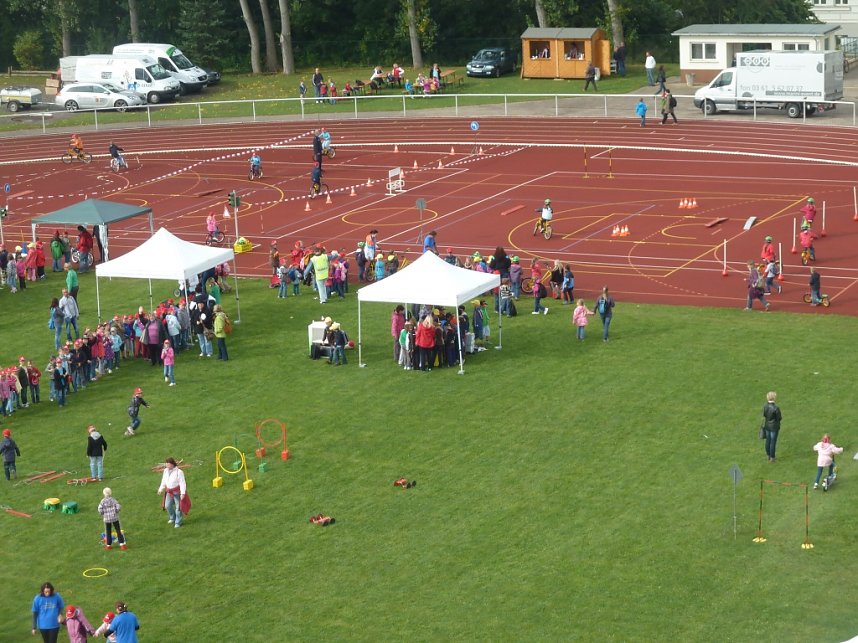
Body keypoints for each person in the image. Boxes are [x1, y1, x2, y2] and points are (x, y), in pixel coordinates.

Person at [158, 457, 189, 528]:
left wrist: (183, 493)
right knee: (167, 505)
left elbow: (182, 483)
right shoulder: (165, 471)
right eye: (166, 464)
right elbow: (164, 480)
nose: (166, 466)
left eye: (168, 464)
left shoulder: (179, 472)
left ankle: (178, 522)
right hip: (169, 492)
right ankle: (172, 517)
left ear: (172, 464)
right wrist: (160, 489)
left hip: (177, 492)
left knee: (178, 507)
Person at [761, 391, 781, 462]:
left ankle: (768, 455)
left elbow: (764, 415)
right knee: (773, 442)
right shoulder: (776, 408)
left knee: (768, 440)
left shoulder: (765, 406)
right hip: (774, 427)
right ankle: (772, 457)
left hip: (767, 426)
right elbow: (779, 418)